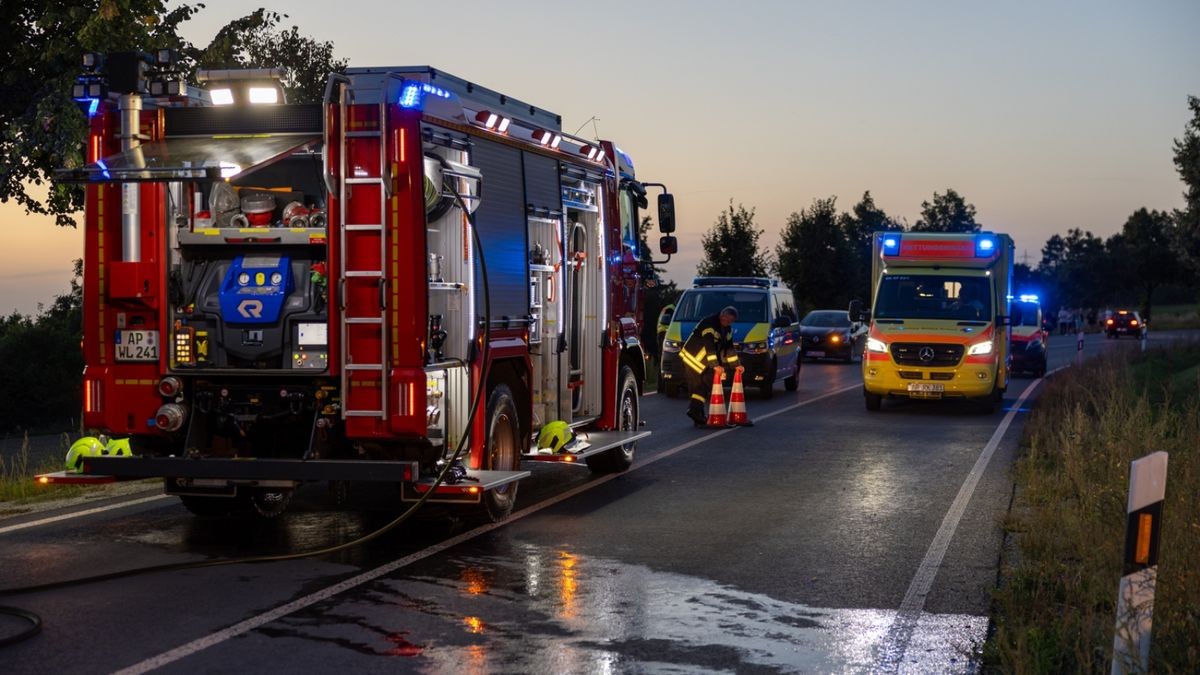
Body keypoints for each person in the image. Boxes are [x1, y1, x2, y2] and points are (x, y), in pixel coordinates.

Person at [680, 306, 741, 426]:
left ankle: (697, 415)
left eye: (731, 322)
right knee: (700, 386)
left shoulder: (726, 329)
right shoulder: (709, 324)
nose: (728, 323)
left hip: (704, 360)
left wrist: (736, 365)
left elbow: (729, 348)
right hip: (693, 358)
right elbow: (709, 346)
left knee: (704, 386)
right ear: (722, 315)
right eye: (727, 320)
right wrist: (715, 366)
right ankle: (695, 413)